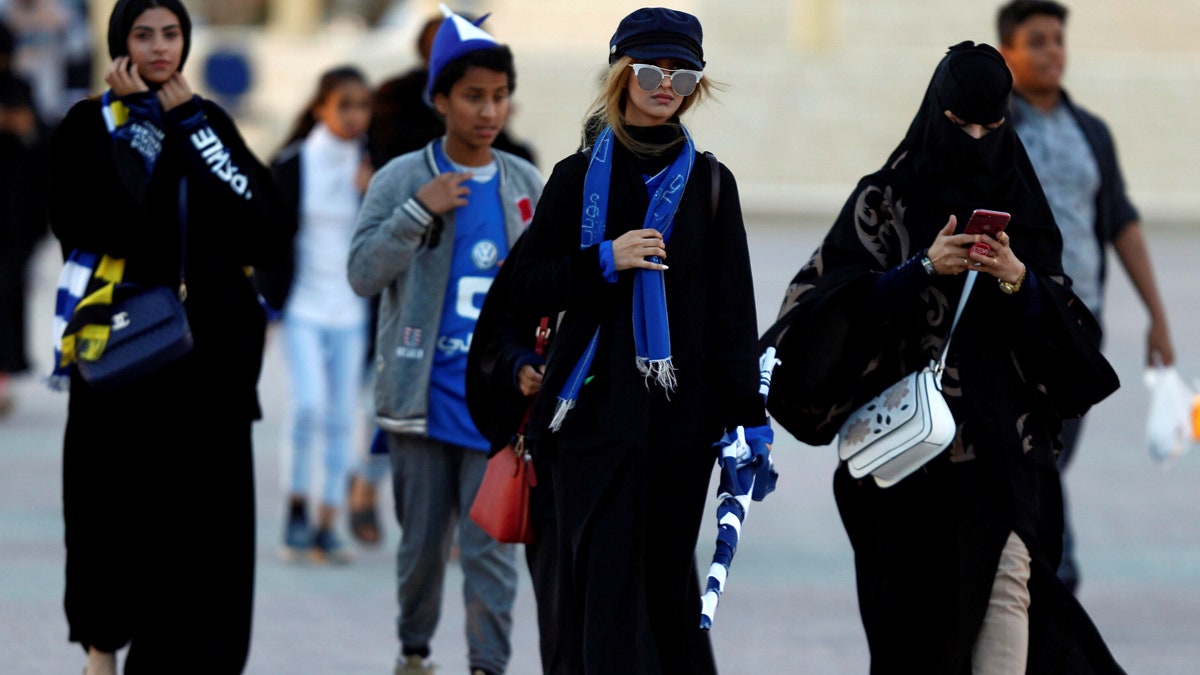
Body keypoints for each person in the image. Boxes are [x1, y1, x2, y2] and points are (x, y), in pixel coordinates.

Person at [761, 42, 1124, 673]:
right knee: (914, 640)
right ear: (937, 113)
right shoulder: (885, 200)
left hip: (1003, 458)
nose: (978, 139)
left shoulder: (1023, 202)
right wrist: (921, 270)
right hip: (907, 467)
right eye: (962, 125)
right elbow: (814, 316)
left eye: (993, 124)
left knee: (1011, 593)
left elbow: (1067, 334)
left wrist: (1016, 278)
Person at [508, 8, 769, 673]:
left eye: (683, 72)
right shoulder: (575, 177)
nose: (666, 84)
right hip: (589, 419)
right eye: (652, 69)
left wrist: (748, 419)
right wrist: (604, 257)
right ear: (622, 74)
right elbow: (527, 285)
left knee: (660, 587)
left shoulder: (711, 183)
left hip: (681, 425)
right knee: (600, 585)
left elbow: (733, 312)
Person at [47, 0, 291, 672]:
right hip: (124, 360)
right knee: (113, 519)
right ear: (118, 43)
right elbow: (99, 226)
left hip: (209, 366)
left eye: (172, 34)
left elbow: (266, 223)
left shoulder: (204, 120)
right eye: (143, 35)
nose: (159, 48)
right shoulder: (87, 126)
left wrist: (188, 126)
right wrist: (142, 139)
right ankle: (102, 648)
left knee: (206, 536)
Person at [346, 6, 543, 675]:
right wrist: (416, 210)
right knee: (422, 548)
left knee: (491, 547)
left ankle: (489, 665)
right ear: (439, 99)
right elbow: (362, 273)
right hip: (420, 401)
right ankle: (414, 651)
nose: (489, 111)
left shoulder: (525, 186)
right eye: (473, 97)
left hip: (495, 407)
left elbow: (548, 292)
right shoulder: (403, 177)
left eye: (499, 96)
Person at [996, 0, 1175, 593]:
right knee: (1030, 453)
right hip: (1011, 315)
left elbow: (1120, 220)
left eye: (1058, 40)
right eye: (1037, 41)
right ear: (1007, 52)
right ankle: (1052, 568)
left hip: (1078, 322)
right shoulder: (991, 127)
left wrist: (1157, 315)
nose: (1052, 52)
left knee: (1053, 449)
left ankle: (1040, 561)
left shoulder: (1090, 131)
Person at [268, 64, 374, 563]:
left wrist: (370, 192)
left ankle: (328, 522)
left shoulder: (375, 166)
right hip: (304, 308)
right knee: (307, 406)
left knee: (340, 416)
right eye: (344, 105)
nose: (355, 116)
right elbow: (266, 235)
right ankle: (295, 506)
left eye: (362, 105)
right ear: (320, 108)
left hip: (351, 310)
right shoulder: (292, 163)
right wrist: (269, 304)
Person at [0, 18, 48, 416]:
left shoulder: (20, 88)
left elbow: (37, 140)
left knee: (6, 297)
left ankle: (2, 379)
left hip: (14, 216)